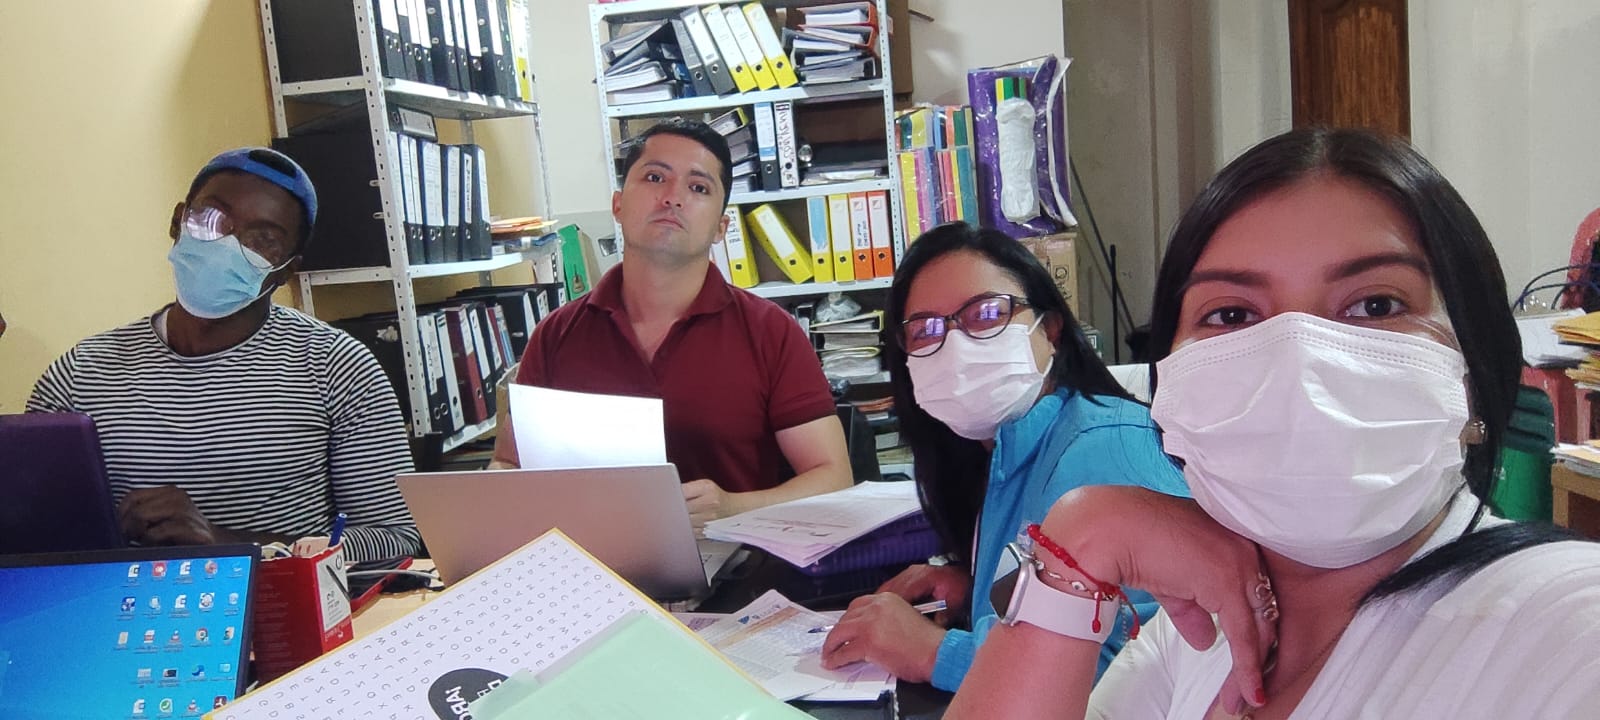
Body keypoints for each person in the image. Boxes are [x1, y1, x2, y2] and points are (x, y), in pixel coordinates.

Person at [948, 128, 1600, 719]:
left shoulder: (1565, 629)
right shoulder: (1195, 636)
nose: (1299, 360)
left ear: (1474, 366)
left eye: (1376, 305)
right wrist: (1082, 536)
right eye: (1231, 315)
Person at [817, 223, 1188, 689]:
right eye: (925, 329)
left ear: (1050, 328)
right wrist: (978, 586)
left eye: (987, 313)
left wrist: (935, 652)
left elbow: (1142, 671)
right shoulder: (1002, 452)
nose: (954, 345)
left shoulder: (1107, 451)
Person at [28, 147, 421, 563]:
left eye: (264, 240)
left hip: (277, 601)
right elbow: (30, 535)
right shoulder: (78, 374)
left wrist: (227, 544)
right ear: (178, 221)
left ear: (287, 270)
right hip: (119, 601)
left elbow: (394, 537)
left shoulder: (337, 366)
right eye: (212, 219)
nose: (227, 246)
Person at [491, 119, 851, 526]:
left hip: (732, 555)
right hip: (590, 556)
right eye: (655, 177)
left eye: (698, 188)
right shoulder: (556, 334)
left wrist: (734, 507)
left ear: (721, 228)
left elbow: (833, 477)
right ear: (617, 205)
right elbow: (509, 465)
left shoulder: (771, 332)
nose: (672, 197)